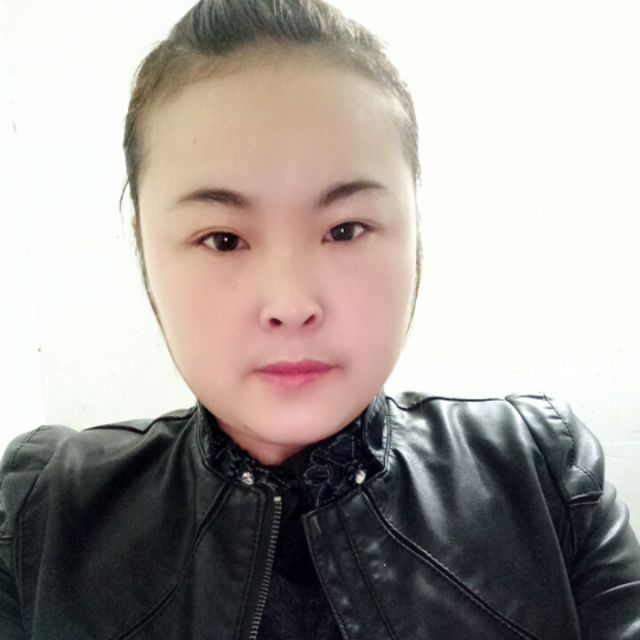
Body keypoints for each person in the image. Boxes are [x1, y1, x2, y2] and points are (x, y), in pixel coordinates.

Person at [1, 0, 639, 638]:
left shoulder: (543, 475)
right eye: (223, 239)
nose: (291, 304)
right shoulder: (41, 516)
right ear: (145, 248)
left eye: (345, 229)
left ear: (415, 236)